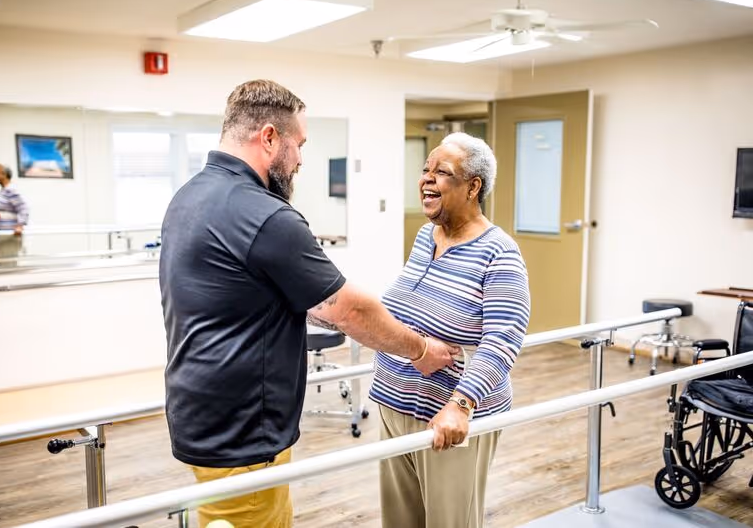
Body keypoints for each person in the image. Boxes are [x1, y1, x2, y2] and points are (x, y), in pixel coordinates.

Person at [159, 79, 460, 528]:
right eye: (298, 144)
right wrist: (420, 350)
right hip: (243, 431)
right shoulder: (264, 214)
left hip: (199, 409)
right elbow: (347, 309)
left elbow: (292, 297)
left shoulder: (190, 196)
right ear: (268, 138)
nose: (301, 158)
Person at [370, 132, 531, 528]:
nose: (426, 179)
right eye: (425, 169)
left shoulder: (500, 252)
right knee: (400, 521)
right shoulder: (427, 236)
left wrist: (461, 405)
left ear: (473, 186)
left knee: (448, 523)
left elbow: (503, 339)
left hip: (447, 421)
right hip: (394, 405)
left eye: (441, 172)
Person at [0, 164, 29, 267]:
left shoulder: (11, 190)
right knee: (1, 265)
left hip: (7, 237)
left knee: (7, 266)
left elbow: (23, 208)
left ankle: (10, 283)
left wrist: (20, 225)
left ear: (3, 174)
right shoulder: (2, 191)